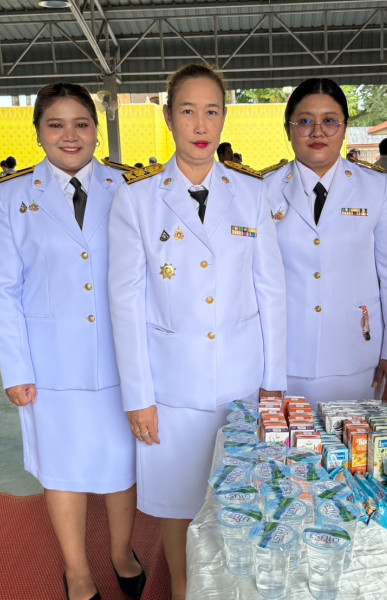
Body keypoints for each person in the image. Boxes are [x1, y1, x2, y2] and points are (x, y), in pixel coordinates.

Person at [107, 64, 286, 600]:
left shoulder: (251, 193)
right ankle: (182, 590)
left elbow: (271, 291)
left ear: (224, 117)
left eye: (212, 111)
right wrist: (138, 397)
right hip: (171, 386)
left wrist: (273, 384)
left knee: (241, 503)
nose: (201, 124)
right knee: (179, 505)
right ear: (168, 117)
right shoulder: (137, 198)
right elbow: (124, 303)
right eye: (188, 111)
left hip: (242, 382)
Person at [0, 82, 145, 600]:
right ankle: (77, 571)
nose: (70, 135)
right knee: (62, 469)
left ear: (97, 131)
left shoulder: (129, 186)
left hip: (121, 359)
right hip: (49, 364)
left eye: (82, 124)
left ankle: (121, 552)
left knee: (121, 463)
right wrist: (15, 370)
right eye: (56, 125)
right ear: (38, 132)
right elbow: (2, 288)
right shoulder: (12, 197)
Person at [265, 78, 387, 406]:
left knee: (354, 436)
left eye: (330, 121)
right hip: (282, 355)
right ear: (289, 129)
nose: (317, 132)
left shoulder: (376, 187)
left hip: (357, 352)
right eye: (305, 121)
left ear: (344, 128)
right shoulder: (263, 189)